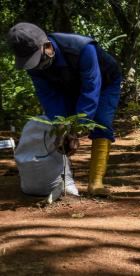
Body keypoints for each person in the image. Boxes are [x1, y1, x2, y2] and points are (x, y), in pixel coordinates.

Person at [7, 22, 122, 196]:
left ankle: (96, 182)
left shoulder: (81, 48)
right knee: (62, 128)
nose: (37, 67)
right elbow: (49, 97)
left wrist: (77, 129)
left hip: (104, 82)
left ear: (47, 46)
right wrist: (61, 127)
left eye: (39, 60)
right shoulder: (33, 67)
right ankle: (64, 178)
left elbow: (91, 89)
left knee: (102, 122)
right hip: (67, 86)